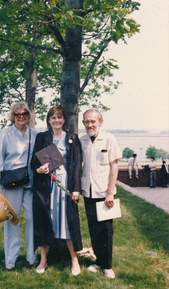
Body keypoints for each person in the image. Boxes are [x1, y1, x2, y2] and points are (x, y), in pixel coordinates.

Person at [31, 105, 82, 276]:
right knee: (45, 220)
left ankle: (74, 260)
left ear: (64, 120)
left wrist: (75, 188)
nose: (56, 120)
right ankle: (43, 260)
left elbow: (76, 166)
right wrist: (39, 170)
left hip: (65, 186)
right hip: (46, 187)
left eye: (59, 117)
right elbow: (34, 162)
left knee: (68, 222)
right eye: (53, 117)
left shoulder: (73, 139)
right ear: (48, 120)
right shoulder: (42, 137)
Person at [0, 101, 38, 270]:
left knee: (32, 218)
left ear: (28, 115)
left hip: (30, 181)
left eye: (24, 114)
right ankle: (11, 258)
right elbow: (0, 159)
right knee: (12, 220)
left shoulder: (34, 134)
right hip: (10, 183)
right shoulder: (6, 134)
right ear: (13, 116)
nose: (21, 117)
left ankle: (31, 256)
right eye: (18, 114)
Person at [80, 108, 122, 279]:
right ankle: (98, 261)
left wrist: (110, 192)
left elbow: (114, 166)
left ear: (100, 122)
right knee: (93, 229)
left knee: (106, 230)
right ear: (83, 124)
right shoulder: (81, 140)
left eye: (93, 121)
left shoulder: (109, 139)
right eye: (87, 122)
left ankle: (107, 266)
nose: (90, 125)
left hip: (104, 193)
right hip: (87, 192)